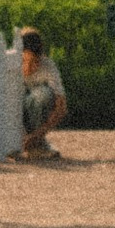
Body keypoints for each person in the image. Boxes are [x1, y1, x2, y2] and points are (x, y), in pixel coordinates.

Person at [16, 24, 68, 160]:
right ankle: (16, 142)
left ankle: (36, 145)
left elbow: (61, 107)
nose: (28, 68)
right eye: (24, 61)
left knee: (43, 95)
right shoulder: (9, 65)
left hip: (35, 116)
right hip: (15, 115)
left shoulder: (48, 66)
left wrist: (37, 135)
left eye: (34, 62)